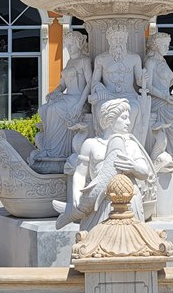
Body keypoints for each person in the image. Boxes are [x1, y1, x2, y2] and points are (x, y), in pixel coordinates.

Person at [56, 98, 152, 231]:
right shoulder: (91, 144)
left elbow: (145, 172)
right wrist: (77, 194)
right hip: (99, 204)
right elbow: (80, 173)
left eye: (128, 118)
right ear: (110, 119)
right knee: (97, 240)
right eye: (124, 118)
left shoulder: (131, 144)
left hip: (128, 202)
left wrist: (134, 167)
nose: (128, 122)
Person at [35, 30, 92, 159]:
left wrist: (80, 104)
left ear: (78, 44)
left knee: (54, 109)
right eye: (67, 44)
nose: (69, 47)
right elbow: (63, 85)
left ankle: (55, 151)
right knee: (43, 109)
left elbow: (90, 83)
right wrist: (54, 92)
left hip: (77, 99)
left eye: (71, 44)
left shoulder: (85, 60)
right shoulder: (69, 62)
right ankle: (48, 146)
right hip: (67, 97)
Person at [89, 22, 147, 140]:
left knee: (133, 108)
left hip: (129, 95)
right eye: (115, 39)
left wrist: (143, 79)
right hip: (108, 96)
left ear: (126, 40)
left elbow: (139, 82)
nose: (118, 42)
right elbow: (94, 82)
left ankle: (128, 140)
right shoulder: (101, 59)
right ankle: (106, 140)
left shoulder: (134, 58)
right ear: (109, 41)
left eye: (121, 39)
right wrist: (99, 88)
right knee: (101, 108)